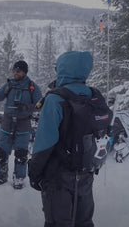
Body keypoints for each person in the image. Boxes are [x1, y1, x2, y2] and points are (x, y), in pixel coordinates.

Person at [28, 51, 96, 227]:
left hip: (58, 176)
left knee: (58, 222)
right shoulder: (92, 96)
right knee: (84, 222)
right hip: (85, 173)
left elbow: (45, 142)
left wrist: (34, 172)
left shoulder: (55, 99)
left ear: (63, 69)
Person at [0, 60, 42, 189]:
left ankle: (19, 179)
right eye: (14, 70)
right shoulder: (9, 85)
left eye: (18, 71)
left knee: (21, 154)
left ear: (24, 72)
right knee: (1, 152)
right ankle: (1, 177)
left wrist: (26, 107)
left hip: (23, 124)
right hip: (7, 123)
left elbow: (39, 106)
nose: (15, 73)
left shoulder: (32, 87)